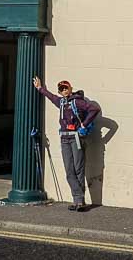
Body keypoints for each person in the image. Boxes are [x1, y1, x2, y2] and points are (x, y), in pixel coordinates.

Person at [33, 76, 100, 211]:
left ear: (70, 89)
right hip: (64, 138)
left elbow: (94, 109)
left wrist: (84, 125)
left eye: (66, 88)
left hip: (76, 138)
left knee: (78, 169)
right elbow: (51, 96)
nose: (64, 91)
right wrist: (40, 88)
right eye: (61, 89)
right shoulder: (61, 102)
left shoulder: (78, 102)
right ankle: (79, 200)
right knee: (69, 170)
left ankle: (79, 201)